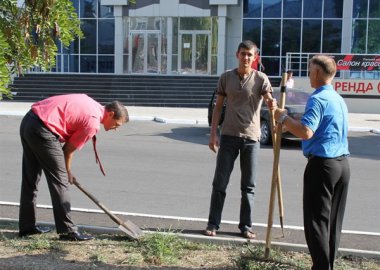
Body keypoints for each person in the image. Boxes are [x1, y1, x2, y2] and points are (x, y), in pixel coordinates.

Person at [274, 55, 350, 270]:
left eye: (310, 70)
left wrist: (283, 118)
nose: (308, 75)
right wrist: (288, 121)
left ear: (317, 73)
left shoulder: (318, 99)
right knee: (333, 223)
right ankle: (326, 266)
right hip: (343, 165)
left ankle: (321, 267)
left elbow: (306, 132)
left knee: (316, 223)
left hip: (323, 166)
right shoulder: (337, 98)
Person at [19, 94, 129, 241]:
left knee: (30, 180)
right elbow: (67, 150)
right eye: (117, 125)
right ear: (111, 114)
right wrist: (68, 172)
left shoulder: (92, 104)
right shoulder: (92, 123)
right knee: (60, 183)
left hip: (29, 121)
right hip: (43, 130)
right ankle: (68, 231)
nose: (115, 129)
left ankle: (27, 228)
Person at [205, 40, 276, 239]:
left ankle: (246, 226)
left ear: (255, 58)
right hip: (228, 136)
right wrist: (213, 134)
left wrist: (272, 103)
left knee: (248, 186)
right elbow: (218, 107)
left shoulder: (261, 79)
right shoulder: (226, 78)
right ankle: (213, 223)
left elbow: (270, 100)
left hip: (251, 139)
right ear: (237, 54)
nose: (246, 58)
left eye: (250, 55)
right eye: (243, 53)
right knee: (220, 183)